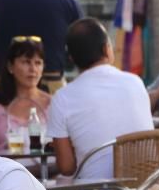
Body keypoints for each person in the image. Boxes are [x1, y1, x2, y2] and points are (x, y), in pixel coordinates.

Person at [47, 18, 153, 180]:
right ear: (106, 49)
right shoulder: (135, 82)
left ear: (72, 59)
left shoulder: (62, 98)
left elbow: (66, 168)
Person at [0, 36, 50, 153]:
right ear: (10, 66)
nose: (33, 69)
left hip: (49, 169)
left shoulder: (52, 103)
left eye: (38, 63)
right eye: (26, 62)